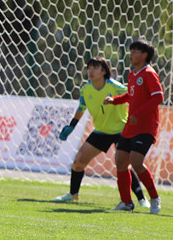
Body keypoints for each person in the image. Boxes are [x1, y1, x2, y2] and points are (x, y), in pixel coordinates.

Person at [53, 57, 147, 207]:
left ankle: (142, 199)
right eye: (89, 68)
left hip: (121, 131)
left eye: (95, 68)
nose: (91, 71)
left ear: (104, 71)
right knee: (78, 162)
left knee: (124, 165)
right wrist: (72, 126)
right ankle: (73, 195)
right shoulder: (86, 89)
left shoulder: (116, 87)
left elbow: (134, 97)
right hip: (101, 131)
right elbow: (81, 108)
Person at [104, 39, 164, 214]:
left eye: (135, 51)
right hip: (131, 127)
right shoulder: (133, 75)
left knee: (137, 163)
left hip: (146, 127)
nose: (131, 55)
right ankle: (126, 202)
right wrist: (114, 100)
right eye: (131, 51)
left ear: (145, 55)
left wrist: (138, 114)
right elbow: (130, 96)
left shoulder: (149, 73)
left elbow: (158, 97)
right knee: (121, 162)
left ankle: (154, 198)